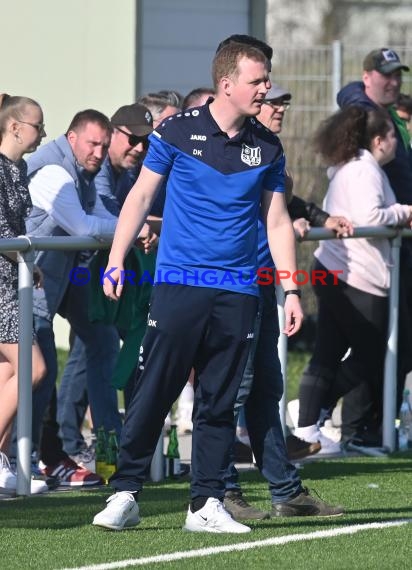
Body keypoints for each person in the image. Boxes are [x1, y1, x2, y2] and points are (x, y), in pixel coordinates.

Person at [92, 40, 303, 534]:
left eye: (266, 79)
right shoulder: (176, 131)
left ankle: (205, 503)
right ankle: (125, 492)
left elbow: (276, 221)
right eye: (258, 80)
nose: (266, 89)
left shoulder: (268, 145)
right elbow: (142, 194)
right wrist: (117, 259)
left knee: (219, 399)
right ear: (227, 84)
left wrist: (291, 290)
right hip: (180, 284)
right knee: (156, 389)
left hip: (240, 290)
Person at [218, 67, 347, 520]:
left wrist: (309, 216)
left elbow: (280, 206)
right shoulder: (232, 146)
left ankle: (284, 489)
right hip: (230, 284)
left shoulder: (266, 148)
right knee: (232, 390)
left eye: (282, 103)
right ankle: (221, 490)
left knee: (265, 386)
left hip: (262, 282)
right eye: (270, 99)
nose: (278, 108)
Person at [295, 106, 412, 452]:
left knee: (329, 351)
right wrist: (405, 211)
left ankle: (308, 426)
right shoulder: (363, 170)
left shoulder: (358, 167)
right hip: (353, 276)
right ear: (378, 140)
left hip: (341, 271)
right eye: (393, 135)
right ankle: (312, 415)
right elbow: (368, 216)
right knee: (373, 352)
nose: (397, 141)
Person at [24, 109, 126, 486]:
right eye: (92, 144)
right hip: (26, 286)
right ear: (71, 139)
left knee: (101, 338)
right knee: (37, 370)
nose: (99, 152)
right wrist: (134, 229)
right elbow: (83, 226)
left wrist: (133, 227)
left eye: (104, 144)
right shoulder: (52, 172)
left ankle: (107, 450)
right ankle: (29, 458)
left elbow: (99, 217)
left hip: (62, 278)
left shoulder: (85, 172)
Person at [57, 103, 157, 459]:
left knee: (92, 353)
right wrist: (141, 226)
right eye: (133, 139)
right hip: (71, 273)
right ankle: (87, 445)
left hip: (93, 275)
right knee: (88, 352)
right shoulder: (99, 171)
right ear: (114, 132)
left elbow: (131, 214)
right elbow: (113, 216)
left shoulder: (126, 170)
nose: (139, 149)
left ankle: (81, 444)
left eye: (146, 143)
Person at [337, 47, 412, 445]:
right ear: (368, 77)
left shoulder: (389, 117)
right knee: (372, 343)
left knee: (398, 343)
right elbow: (349, 97)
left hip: (394, 248)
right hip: (367, 256)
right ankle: (354, 426)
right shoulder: (363, 110)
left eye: (398, 75)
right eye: (386, 75)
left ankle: (378, 426)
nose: (395, 82)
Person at [0, 94, 48, 495]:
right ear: (14, 126)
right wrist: (25, 261)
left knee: (8, 374)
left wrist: (30, 265)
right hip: (1, 286)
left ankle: (1, 463)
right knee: (34, 369)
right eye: (37, 125)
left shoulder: (18, 169)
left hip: (12, 283)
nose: (42, 134)